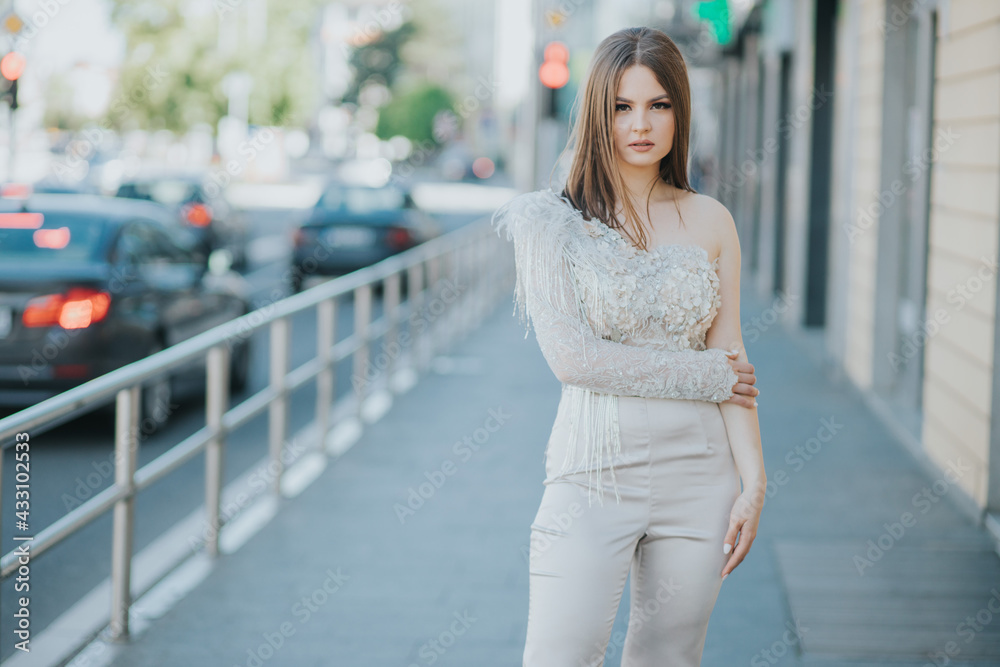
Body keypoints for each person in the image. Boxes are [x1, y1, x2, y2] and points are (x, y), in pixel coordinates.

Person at [490, 26, 766, 666]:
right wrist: (708, 377)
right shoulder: (551, 222)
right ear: (596, 113)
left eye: (658, 105)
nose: (640, 124)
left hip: (702, 479)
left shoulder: (711, 219)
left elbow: (734, 358)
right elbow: (575, 361)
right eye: (622, 106)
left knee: (669, 659)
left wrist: (753, 481)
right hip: (590, 474)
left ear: (680, 112)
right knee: (559, 657)